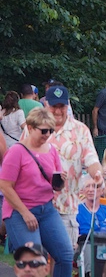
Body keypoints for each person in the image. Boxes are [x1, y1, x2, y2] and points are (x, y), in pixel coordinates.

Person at [0, 107, 74, 277]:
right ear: (31, 128)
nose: (47, 134)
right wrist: (25, 213)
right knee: (34, 261)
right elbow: (5, 186)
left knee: (65, 255)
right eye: (43, 130)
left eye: (50, 130)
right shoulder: (16, 152)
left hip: (46, 209)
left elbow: (55, 185)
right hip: (20, 212)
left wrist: (60, 181)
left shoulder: (51, 150)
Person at [44, 85, 103, 247]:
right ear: (46, 105)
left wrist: (97, 173)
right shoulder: (33, 127)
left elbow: (91, 158)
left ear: (67, 105)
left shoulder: (80, 130)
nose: (57, 111)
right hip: (37, 205)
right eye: (54, 106)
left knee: (63, 259)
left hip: (66, 205)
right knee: (36, 262)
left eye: (61, 106)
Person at [77, 175, 106, 241]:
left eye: (95, 186)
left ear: (102, 191)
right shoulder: (76, 211)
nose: (90, 190)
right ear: (83, 190)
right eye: (87, 186)